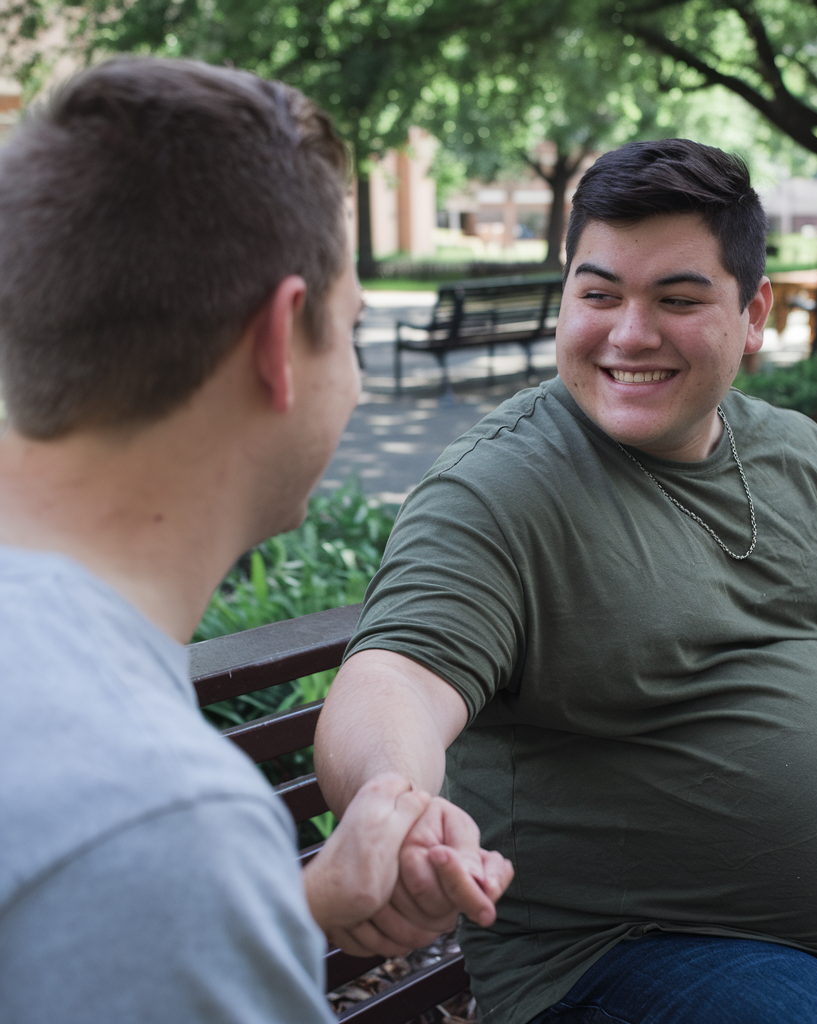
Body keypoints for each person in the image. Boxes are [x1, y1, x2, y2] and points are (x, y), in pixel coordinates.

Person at [313, 138, 817, 1024]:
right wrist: (397, 801)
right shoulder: (497, 490)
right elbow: (397, 677)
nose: (630, 333)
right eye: (598, 294)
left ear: (753, 311)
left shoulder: (795, 452)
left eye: (677, 299)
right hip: (629, 955)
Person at [0, 57, 511, 1023]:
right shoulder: (155, 811)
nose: (354, 379)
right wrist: (209, 876)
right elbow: (118, 852)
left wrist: (281, 907)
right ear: (281, 341)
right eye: (351, 327)